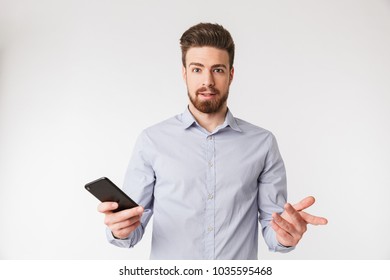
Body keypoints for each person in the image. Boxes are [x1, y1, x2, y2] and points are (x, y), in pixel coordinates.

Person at [98, 22, 328, 259]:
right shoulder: (152, 140)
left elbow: (274, 228)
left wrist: (285, 236)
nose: (207, 81)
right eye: (197, 69)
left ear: (231, 74)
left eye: (217, 70)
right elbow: (131, 228)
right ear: (184, 73)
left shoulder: (263, 143)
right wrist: (120, 230)